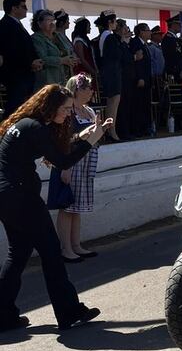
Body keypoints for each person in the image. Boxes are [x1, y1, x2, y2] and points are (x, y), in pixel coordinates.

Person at [0, 84, 109, 331]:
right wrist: (92, 140)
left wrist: (81, 136)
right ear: (50, 106)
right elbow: (62, 161)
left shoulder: (26, 124)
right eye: (66, 108)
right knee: (51, 253)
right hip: (21, 197)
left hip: (6, 196)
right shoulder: (36, 128)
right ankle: (68, 311)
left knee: (17, 255)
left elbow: (51, 148)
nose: (68, 113)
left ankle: (3, 314)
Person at [50, 74, 102, 261]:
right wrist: (66, 166)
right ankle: (66, 249)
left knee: (77, 207)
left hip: (85, 160)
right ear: (77, 90)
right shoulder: (68, 111)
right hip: (71, 161)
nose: (91, 91)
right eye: (87, 88)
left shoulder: (88, 110)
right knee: (67, 206)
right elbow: (64, 140)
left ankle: (76, 245)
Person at [0, 0, 42, 116]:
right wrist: (30, 62)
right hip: (15, 75)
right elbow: (10, 51)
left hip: (24, 74)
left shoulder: (17, 24)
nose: (26, 9)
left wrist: (35, 60)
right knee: (14, 109)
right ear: (14, 8)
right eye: (23, 6)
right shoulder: (5, 25)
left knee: (22, 108)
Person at [95, 10, 121, 141]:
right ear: (110, 22)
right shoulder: (109, 37)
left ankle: (111, 130)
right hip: (111, 72)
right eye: (114, 21)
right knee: (113, 103)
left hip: (108, 72)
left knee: (113, 102)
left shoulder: (104, 36)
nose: (116, 24)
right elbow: (114, 57)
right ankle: (111, 130)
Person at [32, 9, 73, 88]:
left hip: (64, 78)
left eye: (53, 20)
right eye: (48, 20)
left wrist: (72, 58)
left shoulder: (58, 36)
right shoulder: (37, 38)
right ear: (39, 23)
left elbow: (68, 50)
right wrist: (62, 60)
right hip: (48, 79)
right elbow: (43, 59)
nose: (52, 23)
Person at [129, 23, 153, 137]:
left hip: (147, 80)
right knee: (139, 105)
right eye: (148, 30)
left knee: (145, 105)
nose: (150, 32)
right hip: (140, 80)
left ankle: (145, 128)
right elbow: (137, 64)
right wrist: (140, 77)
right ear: (141, 32)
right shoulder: (135, 43)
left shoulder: (145, 44)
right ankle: (139, 129)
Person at [115, 20, 136, 141]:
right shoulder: (117, 41)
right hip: (123, 78)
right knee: (123, 106)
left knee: (128, 106)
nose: (127, 30)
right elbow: (124, 58)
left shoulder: (125, 42)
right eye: (125, 28)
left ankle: (128, 130)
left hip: (129, 78)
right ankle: (123, 132)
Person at [161, 15, 182, 81]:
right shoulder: (168, 38)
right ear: (173, 25)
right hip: (171, 71)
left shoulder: (174, 38)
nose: (180, 26)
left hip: (177, 70)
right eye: (178, 24)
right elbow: (169, 56)